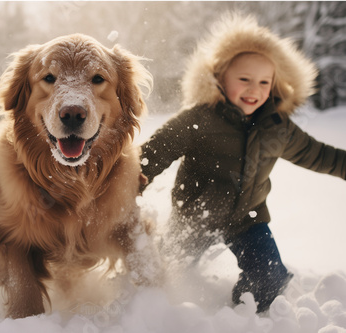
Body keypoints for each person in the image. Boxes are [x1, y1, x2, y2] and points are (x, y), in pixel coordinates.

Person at [140, 13, 346, 313]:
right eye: (244, 79)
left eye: (264, 82)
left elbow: (320, 155)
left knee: (270, 280)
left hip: (248, 220)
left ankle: (240, 314)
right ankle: (166, 314)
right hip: (194, 216)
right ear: (220, 77)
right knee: (163, 273)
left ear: (275, 85)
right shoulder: (199, 119)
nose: (254, 89)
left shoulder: (278, 127)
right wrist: (130, 179)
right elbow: (153, 153)